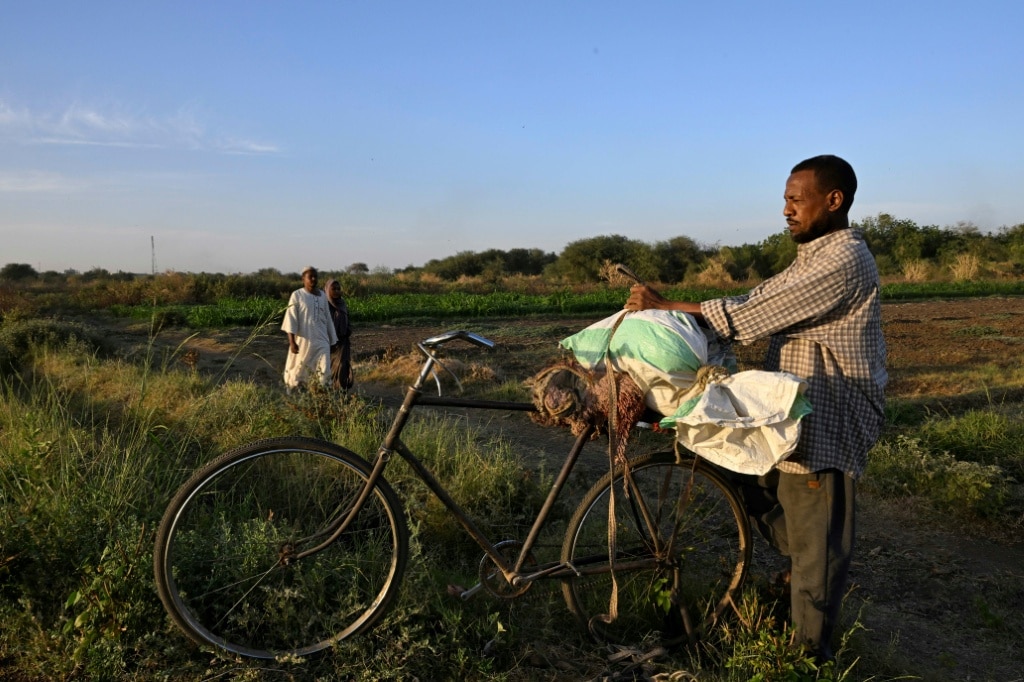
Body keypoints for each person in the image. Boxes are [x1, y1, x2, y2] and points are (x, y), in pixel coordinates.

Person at [624, 155, 887, 662]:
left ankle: (806, 660)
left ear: (834, 200)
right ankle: (794, 581)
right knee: (747, 481)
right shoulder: (813, 255)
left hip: (827, 415)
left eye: (797, 199)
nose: (786, 209)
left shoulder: (845, 259)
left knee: (816, 541)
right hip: (791, 412)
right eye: (785, 199)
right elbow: (756, 295)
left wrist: (667, 308)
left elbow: (755, 314)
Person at [281, 266, 338, 391]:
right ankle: (297, 394)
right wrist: (292, 342)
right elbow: (291, 319)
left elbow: (328, 319)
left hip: (322, 342)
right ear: (303, 279)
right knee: (299, 372)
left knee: (324, 372)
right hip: (304, 342)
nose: (313, 279)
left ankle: (323, 396)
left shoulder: (322, 296)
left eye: (315, 277)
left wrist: (332, 340)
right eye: (310, 277)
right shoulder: (297, 295)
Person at [324, 278, 354, 391]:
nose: (337, 291)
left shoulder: (342, 303)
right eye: (334, 289)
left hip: (342, 341)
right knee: (328, 367)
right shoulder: (324, 305)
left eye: (338, 289)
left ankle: (341, 390)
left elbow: (347, 317)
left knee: (342, 365)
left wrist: (348, 329)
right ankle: (328, 390)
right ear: (327, 289)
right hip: (328, 342)